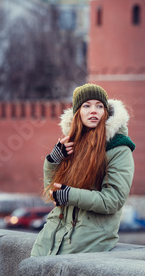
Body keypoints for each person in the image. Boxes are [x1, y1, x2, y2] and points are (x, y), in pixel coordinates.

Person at [31, 83, 135, 256]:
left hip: (87, 241)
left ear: (106, 112)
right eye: (86, 105)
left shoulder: (118, 149)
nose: (93, 110)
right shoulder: (72, 144)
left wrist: (71, 195)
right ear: (77, 112)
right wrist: (53, 161)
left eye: (99, 106)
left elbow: (114, 200)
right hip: (50, 238)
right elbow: (53, 192)